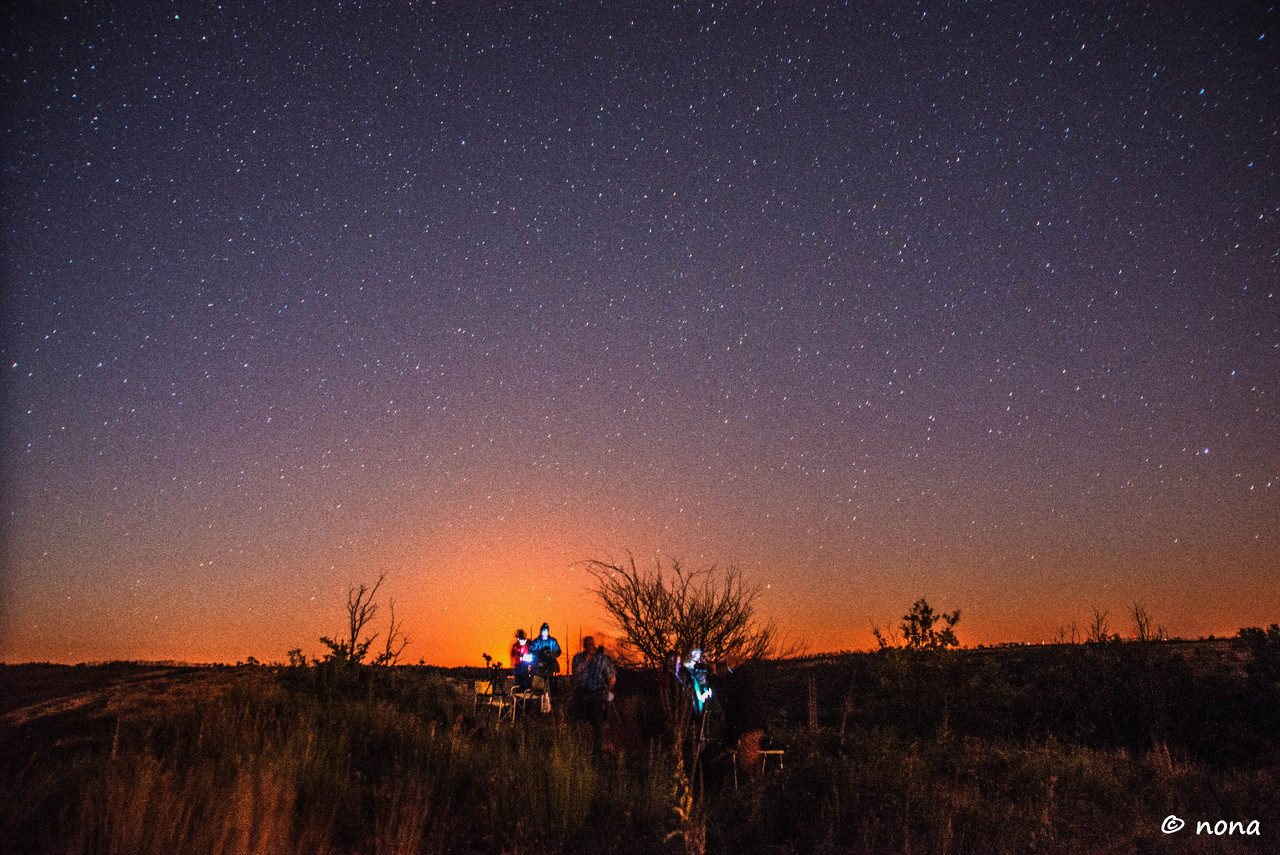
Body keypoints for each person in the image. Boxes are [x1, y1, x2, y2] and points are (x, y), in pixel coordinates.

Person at [572, 636, 616, 751]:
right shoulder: (578, 658)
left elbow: (612, 677)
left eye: (592, 644)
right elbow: (575, 673)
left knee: (598, 726)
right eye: (588, 644)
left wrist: (608, 691)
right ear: (584, 646)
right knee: (580, 725)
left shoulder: (602, 659)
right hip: (581, 695)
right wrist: (584, 664)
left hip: (597, 695)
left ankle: (598, 753)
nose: (591, 646)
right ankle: (581, 750)